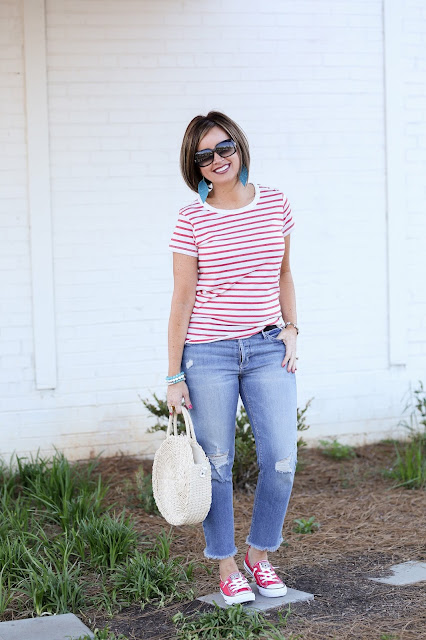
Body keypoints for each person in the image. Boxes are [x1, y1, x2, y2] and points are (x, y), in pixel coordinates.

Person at [166, 111, 298, 605]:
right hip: (208, 354)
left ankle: (259, 556)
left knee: (281, 458)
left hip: (267, 348)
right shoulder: (191, 219)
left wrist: (292, 328)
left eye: (224, 148)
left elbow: (283, 273)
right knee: (216, 463)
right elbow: (182, 299)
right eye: (205, 155)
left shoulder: (276, 202)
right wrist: (173, 375)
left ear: (239, 147)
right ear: (195, 165)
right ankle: (226, 565)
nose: (218, 160)